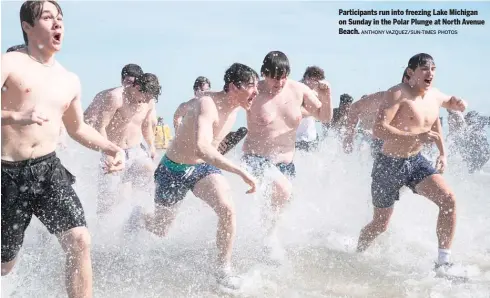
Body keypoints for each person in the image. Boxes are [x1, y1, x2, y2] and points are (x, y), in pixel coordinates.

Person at [1, 2, 124, 297]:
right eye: (47, 17)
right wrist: (16, 116)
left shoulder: (69, 80)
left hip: (47, 170)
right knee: (4, 264)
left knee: (79, 240)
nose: (58, 24)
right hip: (6, 174)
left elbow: (77, 128)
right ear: (27, 26)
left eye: (60, 19)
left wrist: (112, 148)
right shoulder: (10, 63)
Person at [127, 63, 259, 291]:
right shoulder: (207, 103)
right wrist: (239, 170)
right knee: (160, 228)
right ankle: (138, 218)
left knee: (227, 209)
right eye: (251, 86)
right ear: (233, 87)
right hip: (172, 169)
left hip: (201, 169)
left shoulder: (239, 106)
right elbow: (201, 147)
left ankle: (223, 271)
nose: (256, 91)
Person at [356, 53, 467, 276]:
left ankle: (443, 263)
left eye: (433, 69)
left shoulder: (434, 96)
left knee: (449, 200)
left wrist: (443, 152)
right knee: (380, 224)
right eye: (424, 69)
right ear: (410, 72)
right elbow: (379, 129)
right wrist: (417, 137)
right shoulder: (396, 94)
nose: (430, 73)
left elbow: (439, 120)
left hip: (415, 162)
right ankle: (357, 255)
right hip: (387, 165)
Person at [242, 52, 332, 262]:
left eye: (283, 77)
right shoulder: (253, 92)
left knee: (280, 205)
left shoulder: (298, 90)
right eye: (274, 77)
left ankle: (262, 243)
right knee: (283, 190)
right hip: (256, 159)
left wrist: (327, 96)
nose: (279, 83)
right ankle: (266, 240)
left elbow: (325, 117)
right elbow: (227, 105)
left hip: (285, 163)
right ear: (264, 74)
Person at [84, 72, 160, 215]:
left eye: (150, 98)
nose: (146, 101)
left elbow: (146, 126)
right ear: (137, 87)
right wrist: (108, 153)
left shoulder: (149, 101)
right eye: (145, 96)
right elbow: (100, 126)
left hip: (137, 150)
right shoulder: (115, 97)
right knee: (108, 200)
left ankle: (138, 217)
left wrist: (151, 146)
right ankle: (102, 229)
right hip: (114, 150)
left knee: (150, 175)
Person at [344, 69, 411, 157]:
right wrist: (349, 136)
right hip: (382, 147)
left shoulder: (427, 102)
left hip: (411, 151)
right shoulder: (385, 97)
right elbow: (354, 108)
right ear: (406, 79)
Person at [295, 66, 324, 152]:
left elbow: (322, 115)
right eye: (315, 80)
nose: (316, 84)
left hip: (311, 137)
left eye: (318, 81)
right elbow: (296, 111)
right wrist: (316, 112)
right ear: (307, 78)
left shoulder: (316, 92)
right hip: (297, 138)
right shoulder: (296, 90)